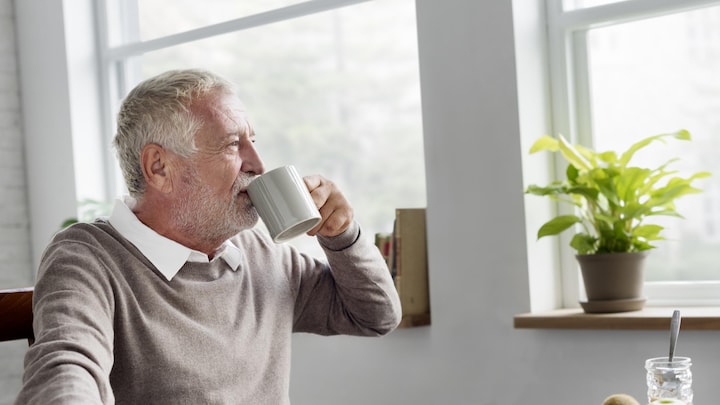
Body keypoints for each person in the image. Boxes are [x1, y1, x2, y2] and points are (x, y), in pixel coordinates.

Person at [16, 69, 401, 404]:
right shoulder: (89, 257)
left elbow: (375, 316)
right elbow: (65, 368)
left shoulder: (257, 253)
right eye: (234, 144)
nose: (258, 164)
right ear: (159, 167)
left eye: (253, 141)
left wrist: (341, 235)